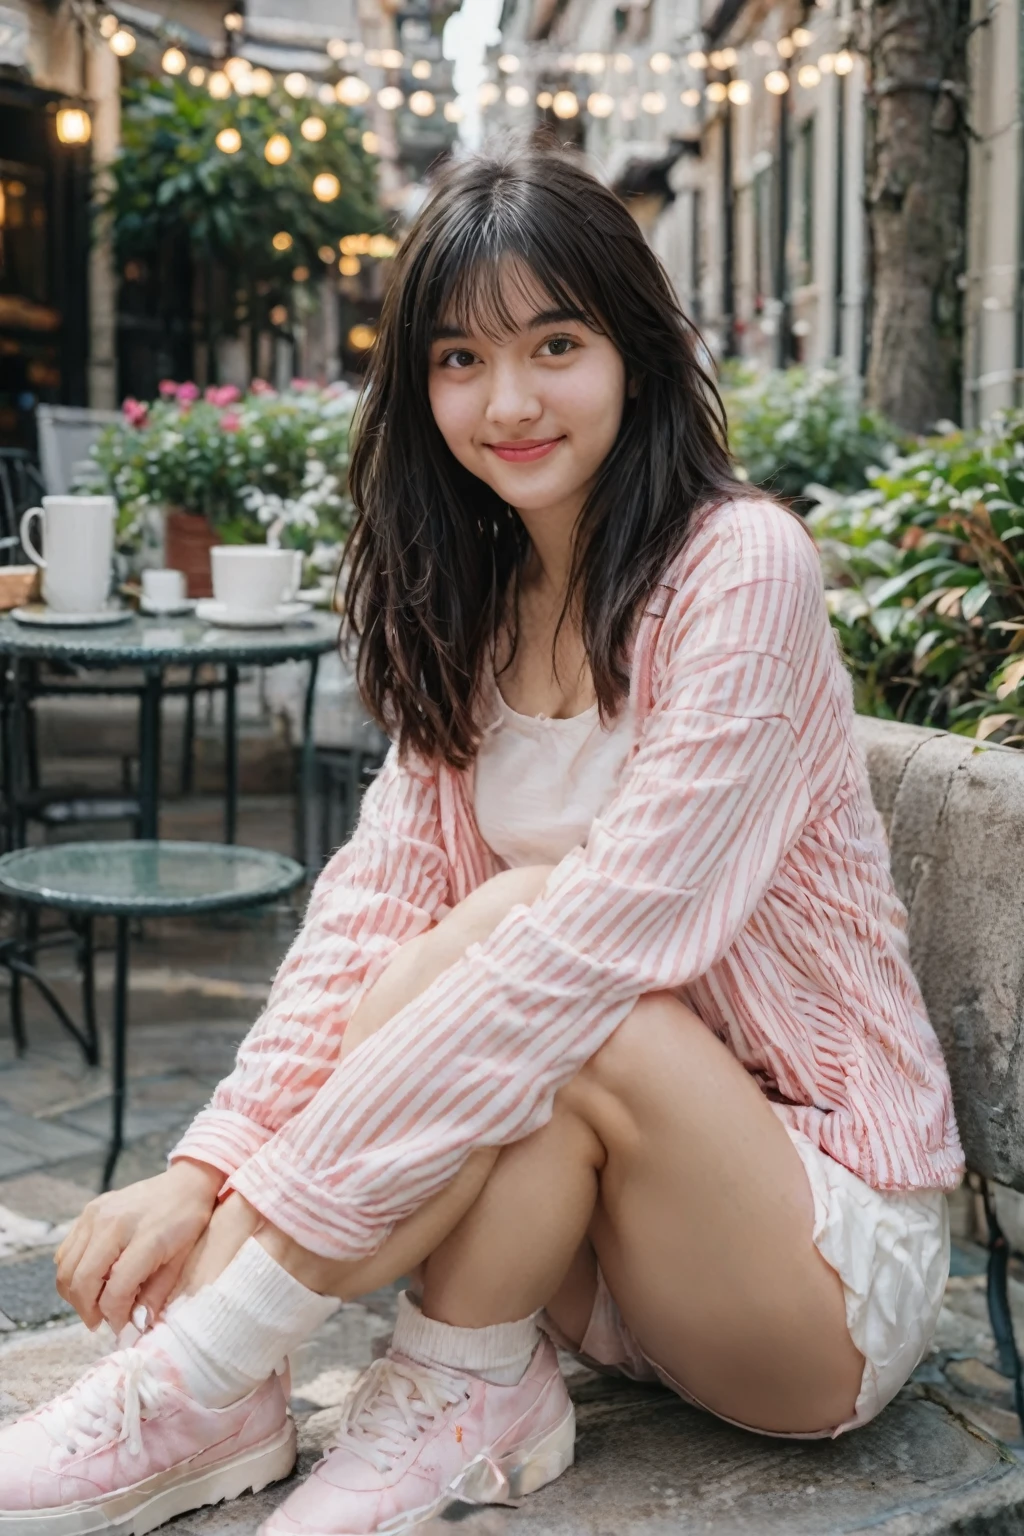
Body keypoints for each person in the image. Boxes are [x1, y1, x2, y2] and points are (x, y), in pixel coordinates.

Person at [0, 135, 963, 1536]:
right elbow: (361, 931)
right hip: (588, 1259)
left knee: (532, 941)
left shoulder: (740, 568)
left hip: (806, 1267)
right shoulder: (478, 604)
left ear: (637, 348)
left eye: (554, 343)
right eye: (458, 358)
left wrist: (250, 1262)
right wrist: (206, 1166)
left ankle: (204, 1377)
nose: (506, 399)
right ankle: (455, 1381)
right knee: (440, 954)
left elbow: (608, 940)